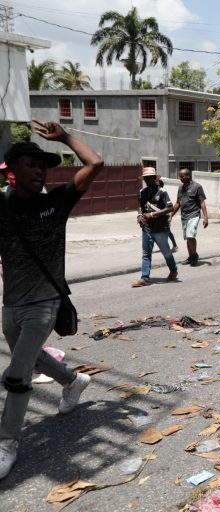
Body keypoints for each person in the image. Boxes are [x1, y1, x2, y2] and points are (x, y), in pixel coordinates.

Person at [0, 120, 104, 479]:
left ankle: (7, 442)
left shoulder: (56, 203)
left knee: (17, 373)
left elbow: (95, 164)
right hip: (11, 304)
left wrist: (64, 138)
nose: (40, 170)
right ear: (10, 171)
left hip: (45, 303)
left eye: (44, 165)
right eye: (32, 164)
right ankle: (72, 381)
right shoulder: (2, 206)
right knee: (30, 357)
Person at [133, 167, 178, 287]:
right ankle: (145, 278)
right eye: (146, 178)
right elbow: (140, 206)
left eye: (150, 178)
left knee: (166, 252)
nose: (148, 180)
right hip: (147, 228)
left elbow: (170, 208)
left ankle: (173, 270)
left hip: (160, 228)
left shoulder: (162, 192)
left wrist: (152, 214)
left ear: (155, 178)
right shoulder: (142, 192)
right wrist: (139, 216)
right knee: (146, 253)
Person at [170, 168, 208, 266]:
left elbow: (202, 202)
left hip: (194, 214)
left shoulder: (197, 187)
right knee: (188, 237)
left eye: (182, 176)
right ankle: (191, 257)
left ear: (188, 176)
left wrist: (205, 217)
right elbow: (178, 203)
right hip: (184, 216)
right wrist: (171, 216)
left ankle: (194, 255)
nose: (181, 178)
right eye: (180, 177)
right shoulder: (181, 188)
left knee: (190, 235)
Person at [157, 178, 179, 253]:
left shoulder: (163, 193)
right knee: (161, 231)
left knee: (167, 231)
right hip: (158, 216)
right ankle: (165, 246)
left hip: (164, 216)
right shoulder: (156, 193)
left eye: (157, 184)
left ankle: (174, 246)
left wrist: (170, 216)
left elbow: (169, 206)